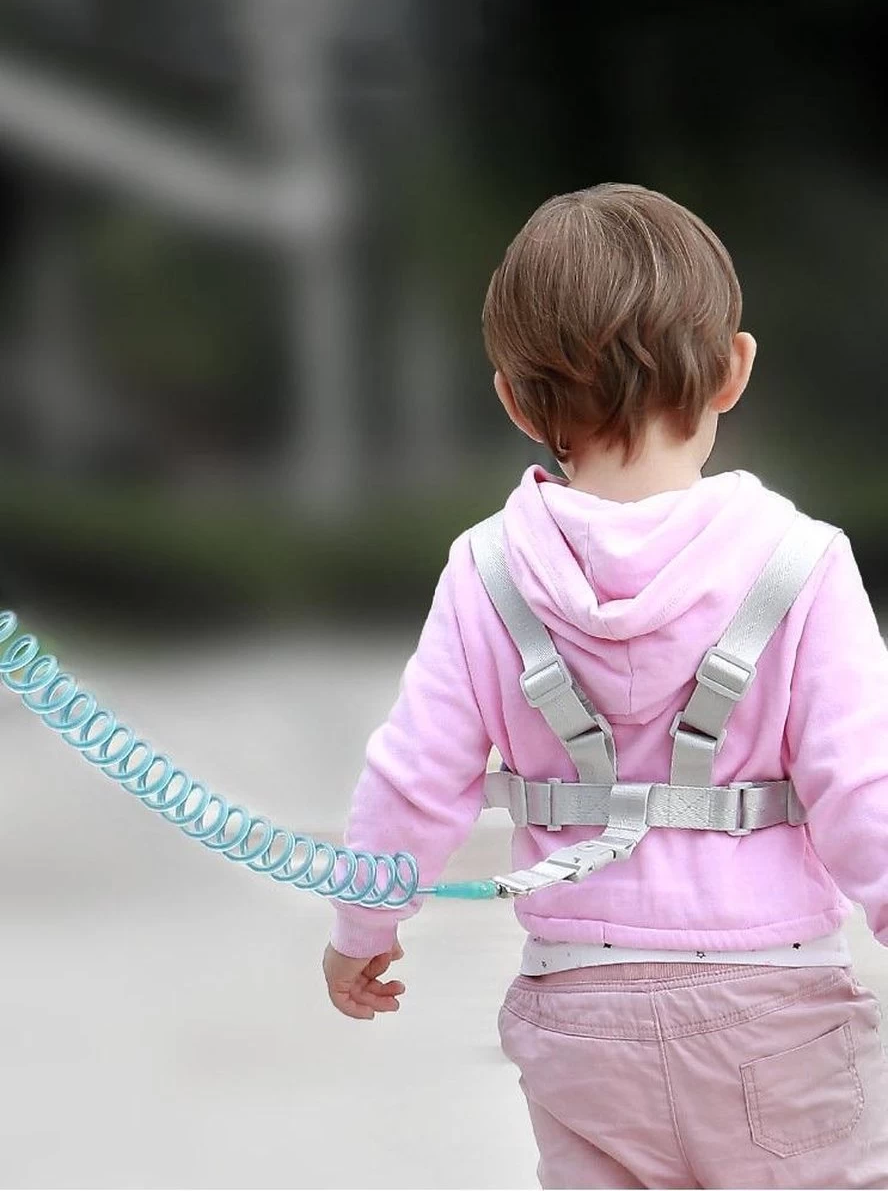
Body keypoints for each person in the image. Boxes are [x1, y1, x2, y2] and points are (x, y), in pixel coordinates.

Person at [321, 184, 888, 1188]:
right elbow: (866, 788)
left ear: (512, 400)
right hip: (779, 1010)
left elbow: (413, 779)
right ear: (734, 369)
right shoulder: (802, 564)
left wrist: (362, 929)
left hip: (579, 1015)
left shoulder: (488, 571)